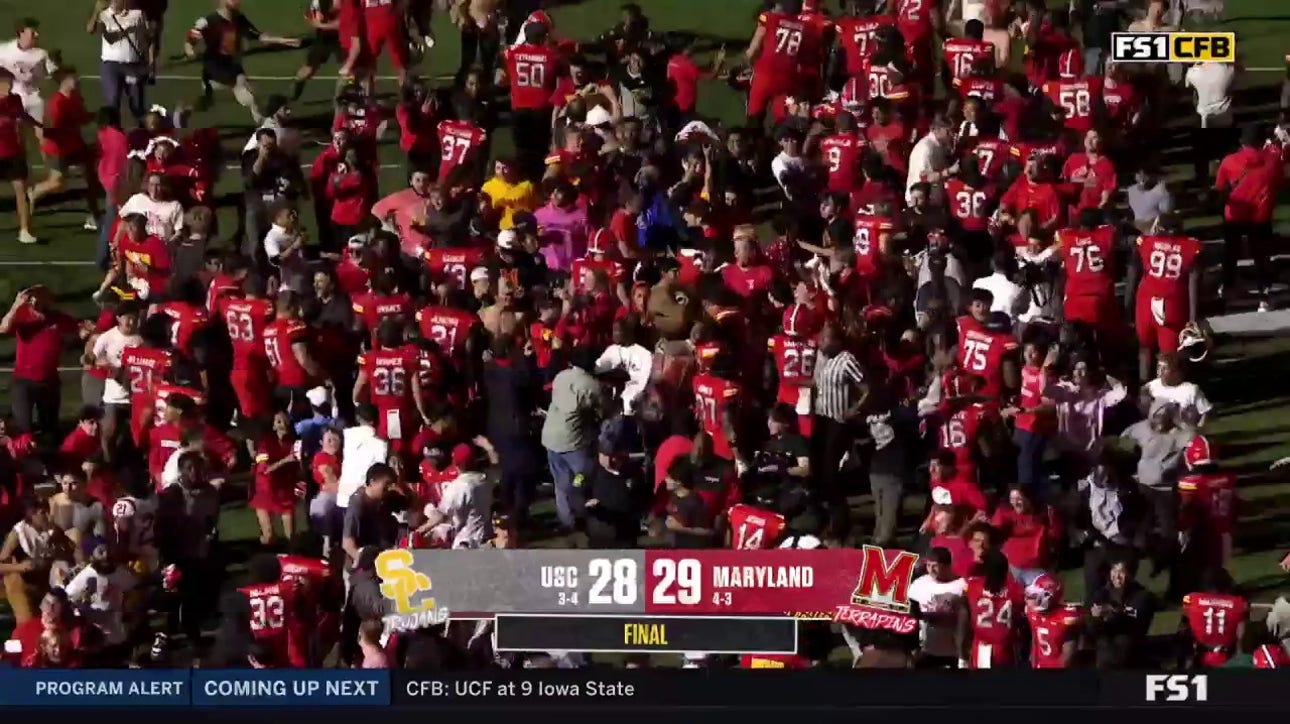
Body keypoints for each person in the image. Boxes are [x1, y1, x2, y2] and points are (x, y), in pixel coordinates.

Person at [184, 0, 301, 123]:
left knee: (208, 102)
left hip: (233, 66)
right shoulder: (209, 21)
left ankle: (186, 111)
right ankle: (264, 124)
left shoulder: (239, 19)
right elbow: (190, 41)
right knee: (247, 93)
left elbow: (259, 36)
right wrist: (190, 52)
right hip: (215, 67)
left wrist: (283, 41)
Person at [1214, 124, 1282, 312]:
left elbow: (1220, 188)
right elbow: (1279, 184)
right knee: (1261, 257)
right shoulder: (1273, 161)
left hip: (1234, 214)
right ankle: (1264, 297)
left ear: (1241, 142)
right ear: (1261, 141)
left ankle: (1227, 289)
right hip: (1261, 215)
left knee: (1231, 253)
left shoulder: (1229, 161)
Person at [542, 348, 602, 532]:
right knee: (585, 476)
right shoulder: (592, 384)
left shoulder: (561, 376)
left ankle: (567, 520)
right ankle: (587, 513)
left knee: (561, 483)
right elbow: (601, 410)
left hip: (551, 437)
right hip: (573, 442)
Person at [1086, 556, 1155, 668]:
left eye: (1122, 571)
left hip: (1131, 643)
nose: (1117, 576)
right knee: (1103, 644)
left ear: (1129, 574)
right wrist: (1095, 618)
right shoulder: (1102, 594)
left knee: (1122, 642)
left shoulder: (1141, 595)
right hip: (1106, 642)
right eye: (1114, 571)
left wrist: (1112, 612)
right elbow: (1092, 628)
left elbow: (1137, 624)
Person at [89, 0, 151, 123]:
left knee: (137, 105)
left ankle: (144, 134)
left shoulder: (138, 14)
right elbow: (91, 29)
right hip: (111, 65)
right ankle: (114, 134)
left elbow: (145, 38)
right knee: (113, 103)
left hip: (133, 65)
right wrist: (96, 12)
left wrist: (147, 61)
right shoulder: (104, 15)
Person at [907, 547, 966, 668]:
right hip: (926, 650)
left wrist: (963, 655)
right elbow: (910, 614)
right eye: (928, 565)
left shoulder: (961, 585)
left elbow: (965, 622)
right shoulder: (919, 583)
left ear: (947, 566)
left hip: (951, 653)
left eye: (935, 565)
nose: (931, 569)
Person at [0, 69, 39, 243]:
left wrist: (37, 128)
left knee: (21, 192)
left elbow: (22, 119)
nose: (9, 86)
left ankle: (24, 231)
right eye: (6, 82)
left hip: (14, 153)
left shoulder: (15, 99)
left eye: (10, 82)